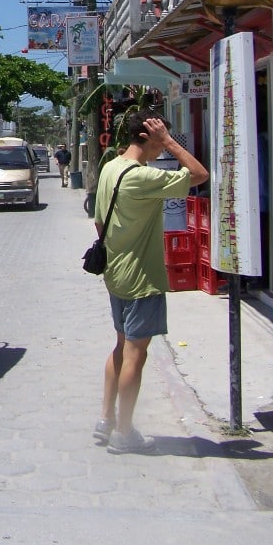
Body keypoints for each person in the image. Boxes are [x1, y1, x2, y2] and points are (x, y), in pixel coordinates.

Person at [94, 111, 208, 455]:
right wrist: (171, 141)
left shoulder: (110, 168)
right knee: (136, 355)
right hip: (141, 278)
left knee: (120, 347)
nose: (163, 150)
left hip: (115, 273)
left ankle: (106, 420)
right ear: (148, 139)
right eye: (159, 142)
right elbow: (199, 174)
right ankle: (124, 432)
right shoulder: (141, 177)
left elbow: (99, 223)